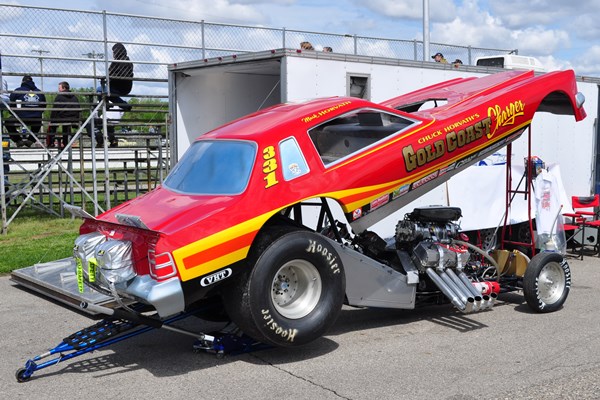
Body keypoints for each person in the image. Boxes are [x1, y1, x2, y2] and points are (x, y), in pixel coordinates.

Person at [5, 75, 47, 147]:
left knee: (7, 122)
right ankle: (31, 140)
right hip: (35, 118)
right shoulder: (39, 92)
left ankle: (18, 140)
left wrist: (14, 113)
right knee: (38, 120)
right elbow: (43, 106)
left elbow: (10, 104)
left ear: (22, 82)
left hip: (21, 117)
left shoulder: (18, 90)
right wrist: (37, 113)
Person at [99, 42, 134, 111]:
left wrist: (111, 77)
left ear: (117, 51)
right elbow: (110, 73)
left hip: (122, 87)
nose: (113, 54)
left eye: (114, 52)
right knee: (102, 90)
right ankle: (109, 105)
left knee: (100, 90)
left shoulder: (125, 61)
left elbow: (123, 76)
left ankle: (121, 105)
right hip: (114, 86)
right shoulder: (115, 62)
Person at [47, 81, 81, 148]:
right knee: (66, 126)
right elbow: (78, 108)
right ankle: (66, 142)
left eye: (59, 88)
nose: (58, 90)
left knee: (52, 126)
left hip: (62, 118)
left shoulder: (59, 97)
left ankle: (51, 142)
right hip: (73, 118)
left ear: (64, 88)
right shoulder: (74, 97)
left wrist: (51, 120)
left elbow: (54, 110)